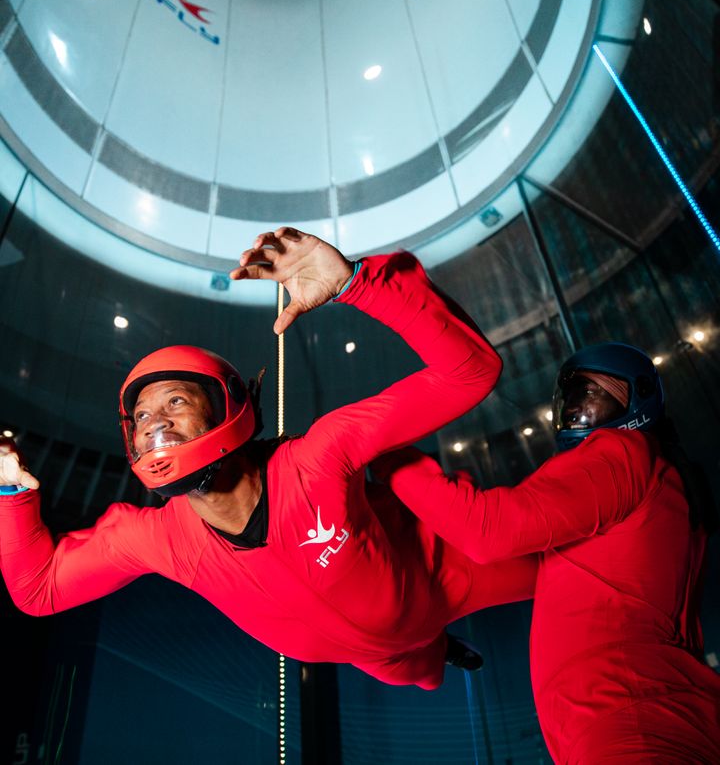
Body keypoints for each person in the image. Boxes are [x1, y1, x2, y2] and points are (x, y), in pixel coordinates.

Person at [0, 227, 537, 690]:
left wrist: (356, 283)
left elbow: (470, 372)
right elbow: (38, 591)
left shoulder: (321, 457)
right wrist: (10, 493)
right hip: (382, 658)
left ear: (229, 408)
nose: (154, 423)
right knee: (419, 671)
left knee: (576, 567)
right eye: (140, 416)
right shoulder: (159, 539)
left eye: (177, 402)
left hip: (447, 581)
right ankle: (440, 654)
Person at [375, 341, 720, 760]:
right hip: (631, 714)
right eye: (569, 395)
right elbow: (495, 568)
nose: (574, 407)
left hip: (629, 716)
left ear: (636, 398)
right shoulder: (652, 486)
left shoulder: (623, 453)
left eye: (592, 392)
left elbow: (488, 530)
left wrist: (389, 457)